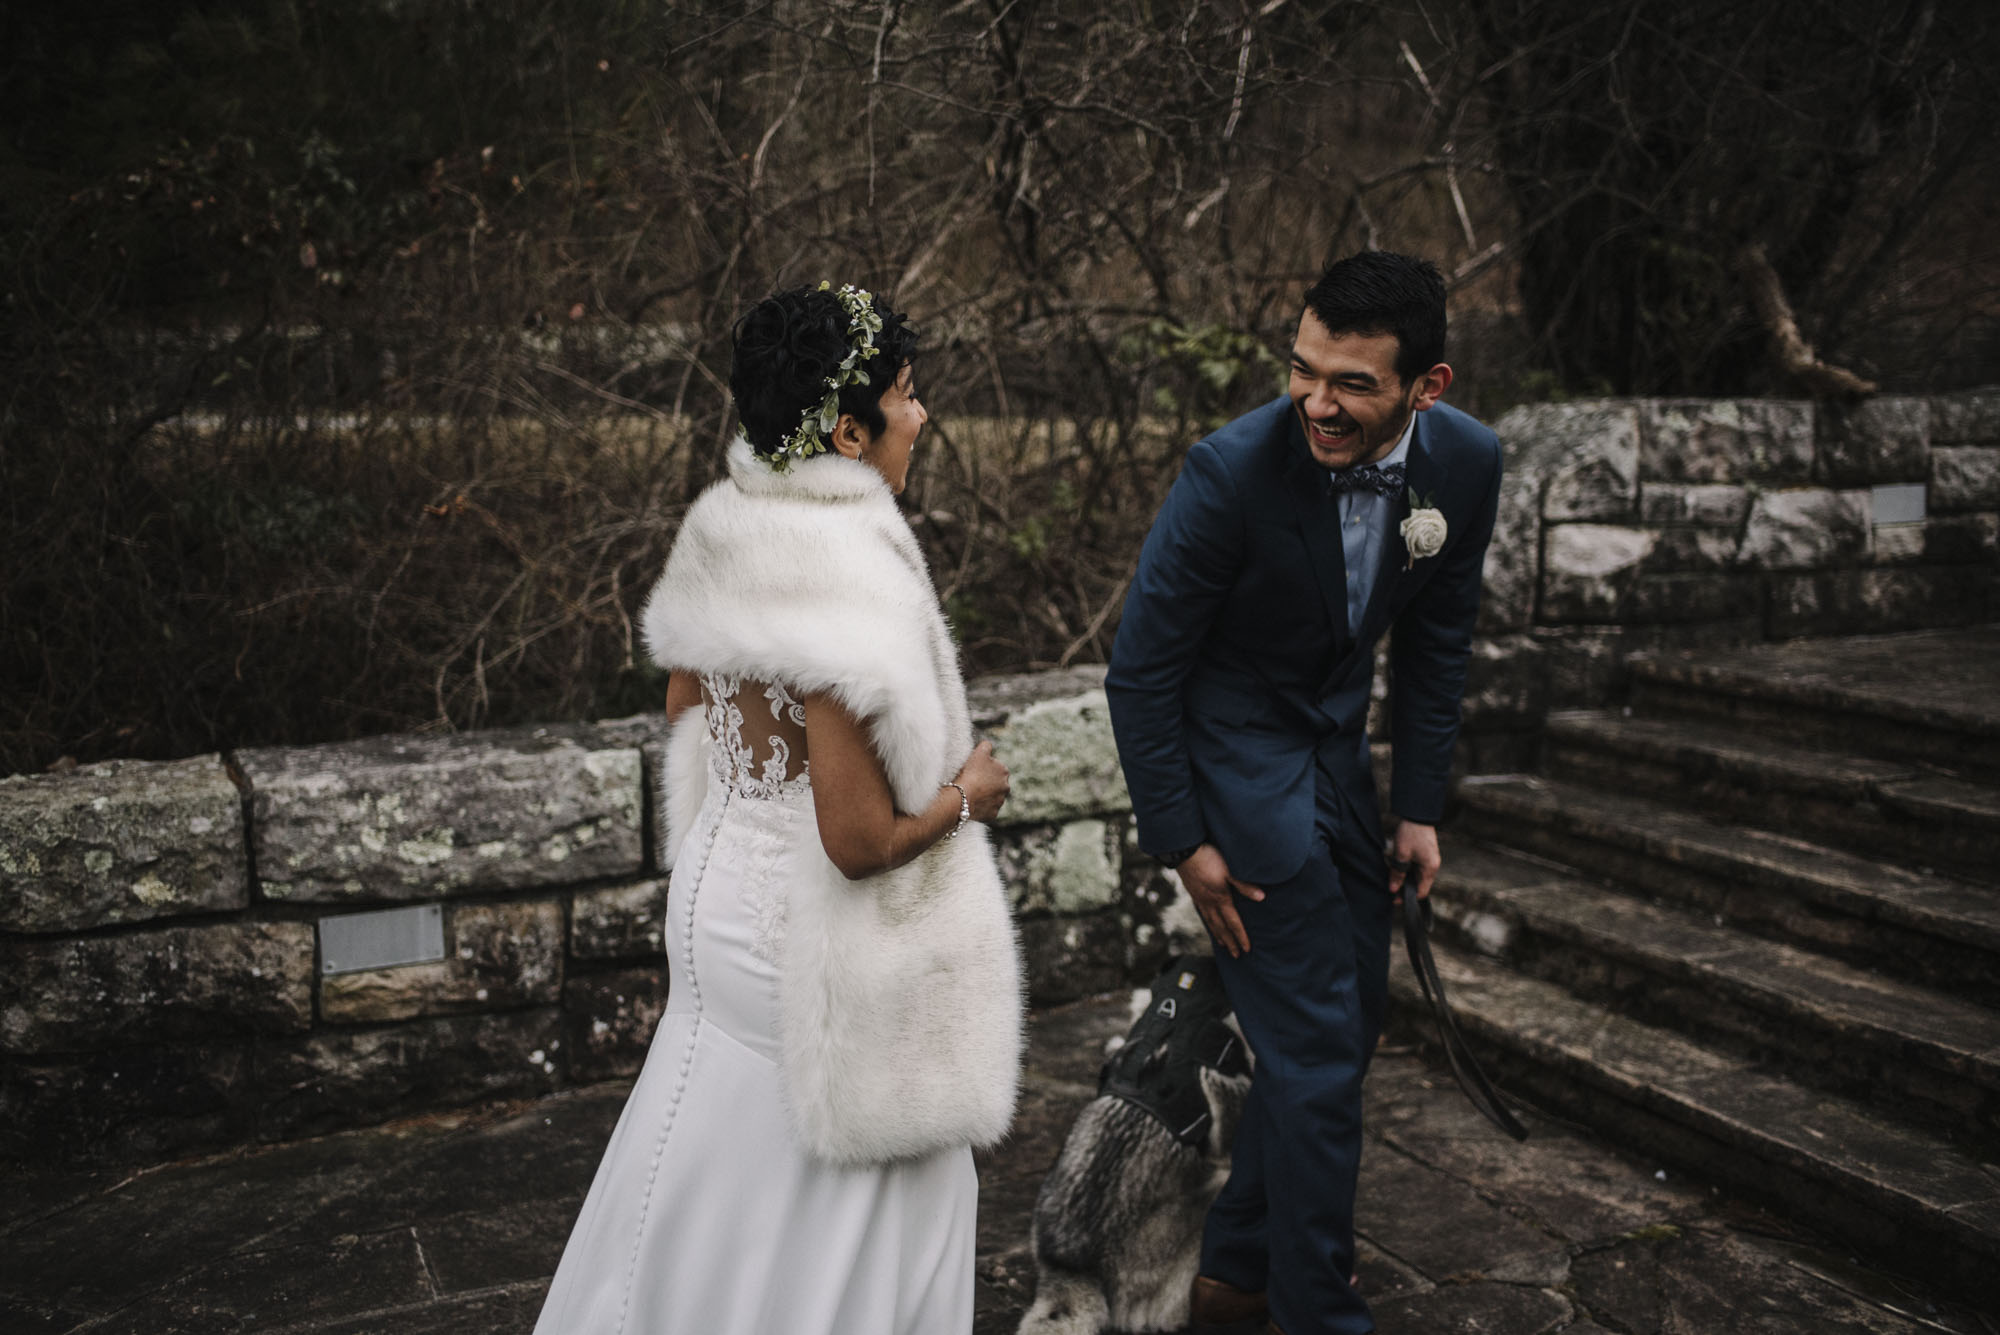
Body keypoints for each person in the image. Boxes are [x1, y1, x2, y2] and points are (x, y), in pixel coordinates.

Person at [533, 282, 1025, 1335]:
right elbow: (856, 843)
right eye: (905, 394)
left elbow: (684, 700)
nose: (922, 414)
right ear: (848, 430)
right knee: (887, 1187)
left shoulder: (730, 521)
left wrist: (763, 788)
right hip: (808, 938)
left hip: (721, 900)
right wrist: (964, 795)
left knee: (711, 1164)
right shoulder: (847, 573)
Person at [1104, 251, 1501, 1335]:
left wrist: (1415, 805)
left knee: (1349, 1020)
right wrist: (1182, 840)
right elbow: (1139, 671)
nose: (1315, 403)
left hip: (1336, 763)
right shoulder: (1229, 471)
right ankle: (1315, 1312)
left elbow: (1435, 640)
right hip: (1235, 767)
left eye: (1351, 384)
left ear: (1428, 386)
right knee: (1319, 1049)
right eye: (1301, 370)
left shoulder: (1464, 466)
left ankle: (1235, 1268)